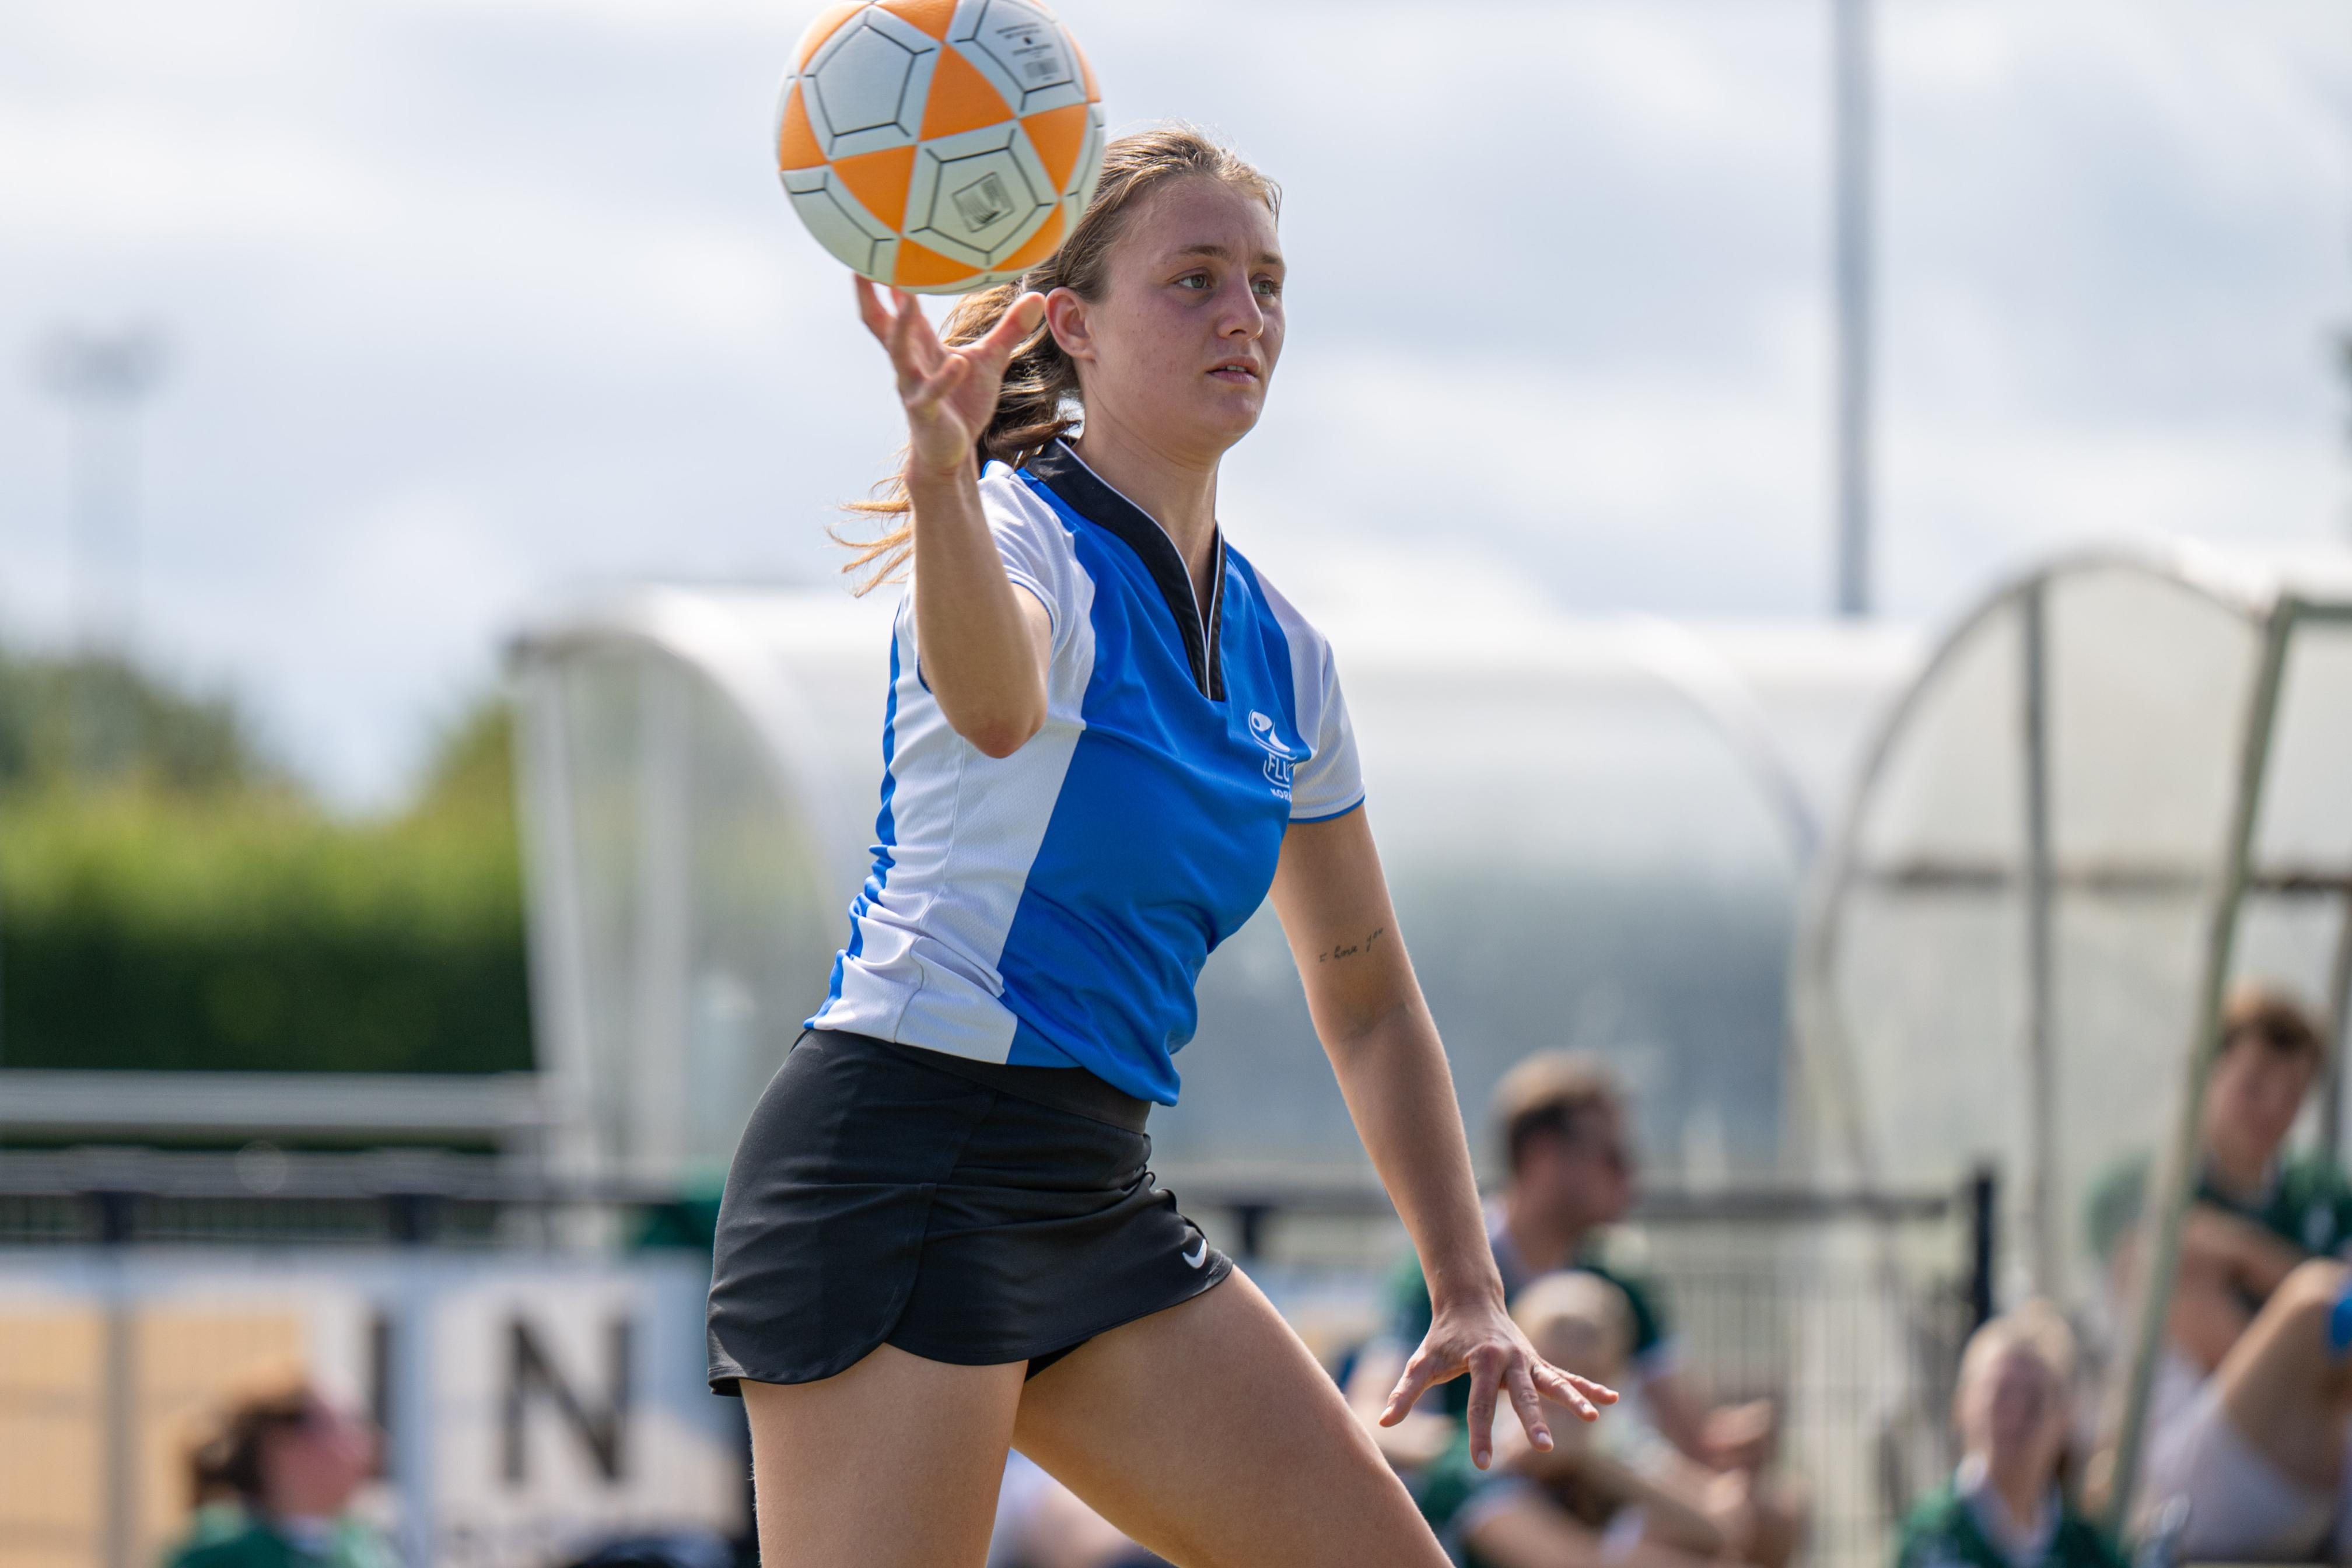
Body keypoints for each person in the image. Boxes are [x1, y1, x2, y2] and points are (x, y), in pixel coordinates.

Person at [704, 125, 1615, 1568]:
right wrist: (939, 475)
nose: (1243, 315)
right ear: (1069, 325)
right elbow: (995, 708)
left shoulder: (1289, 657)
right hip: (898, 1162)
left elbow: (1370, 1000)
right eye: (1193, 280)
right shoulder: (1013, 536)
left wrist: (1467, 1286)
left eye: (1266, 283)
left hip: (1092, 1188)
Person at [1350, 1054, 1803, 1565]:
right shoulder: (1445, 1271)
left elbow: (1696, 1446)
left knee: (1772, 1514)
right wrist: (1503, 1445)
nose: (1630, 1173)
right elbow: (1372, 1420)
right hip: (1491, 1488)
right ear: (1543, 1157)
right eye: (1611, 1155)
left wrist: (1725, 1447)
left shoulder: (1619, 1280)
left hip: (1596, 1485)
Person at [2085, 983, 2352, 1558]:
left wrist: (2239, 1254)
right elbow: (2151, 1285)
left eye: (2292, 1094)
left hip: (2316, 1449)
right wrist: (2294, 1310)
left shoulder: (2324, 1196)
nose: (2273, 1111)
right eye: (2253, 1087)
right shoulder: (2146, 1185)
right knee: (2314, 1308)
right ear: (2208, 1074)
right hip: (2180, 1465)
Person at [1423, 1271, 1760, 1568]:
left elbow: (1722, 1528)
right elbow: (1568, 1563)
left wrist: (1592, 1462)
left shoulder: (1615, 1445)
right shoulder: (1477, 1459)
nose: (1567, 1395)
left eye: (1588, 1377)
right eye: (1549, 1374)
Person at [1894, 1304, 2124, 1568]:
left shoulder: (2088, 1552)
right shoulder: (1928, 1541)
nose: (2014, 1416)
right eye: (2000, 1394)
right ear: (1962, 1405)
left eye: (2034, 1399)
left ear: (2066, 1417)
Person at [165, 1377, 393, 1568]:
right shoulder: (221, 1554)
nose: (369, 1444)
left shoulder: (361, 1545)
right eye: (347, 1426)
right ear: (284, 1446)